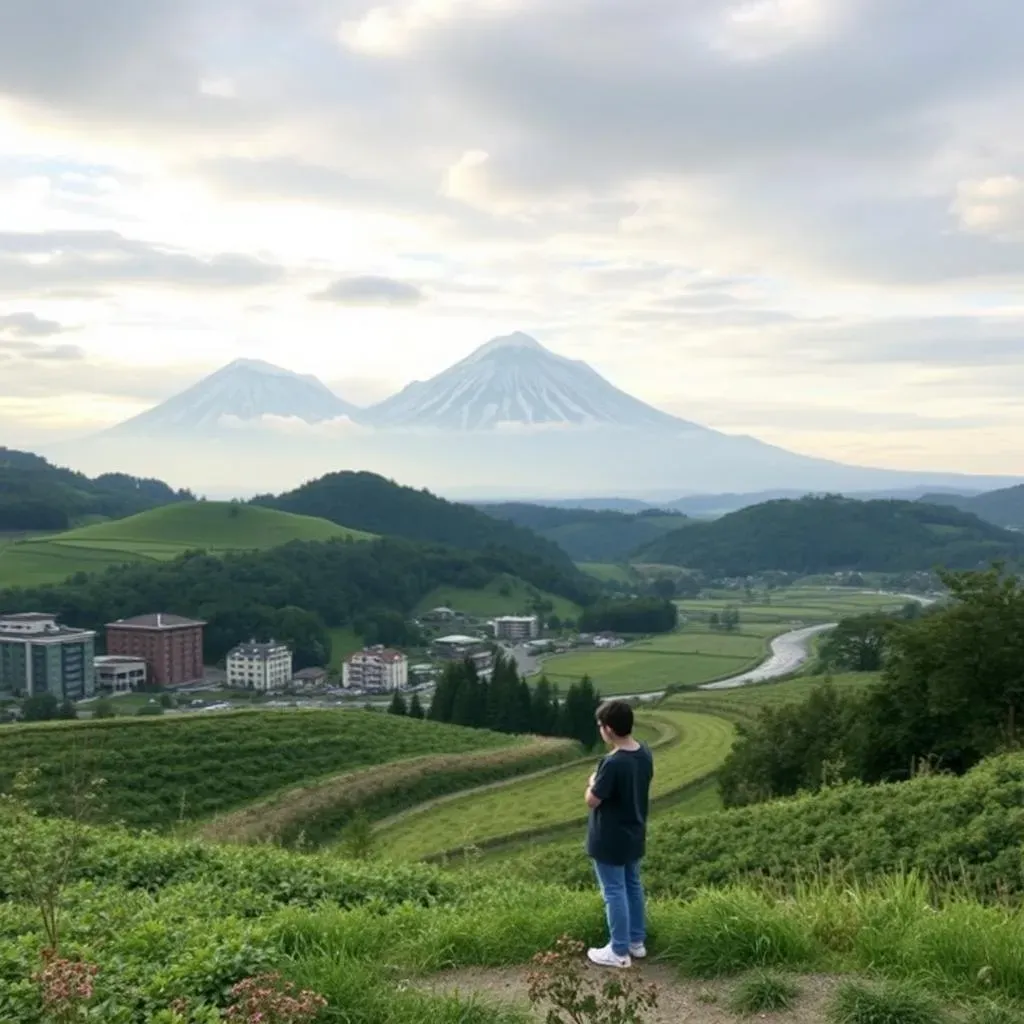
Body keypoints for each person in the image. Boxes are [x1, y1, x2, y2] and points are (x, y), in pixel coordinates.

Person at [583, 699, 654, 968]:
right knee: (633, 885)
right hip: (634, 831)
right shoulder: (644, 753)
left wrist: (592, 782)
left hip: (609, 837)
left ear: (609, 729)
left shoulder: (611, 763)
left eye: (601, 726)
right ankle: (636, 942)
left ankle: (618, 951)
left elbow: (593, 800)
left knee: (613, 891)